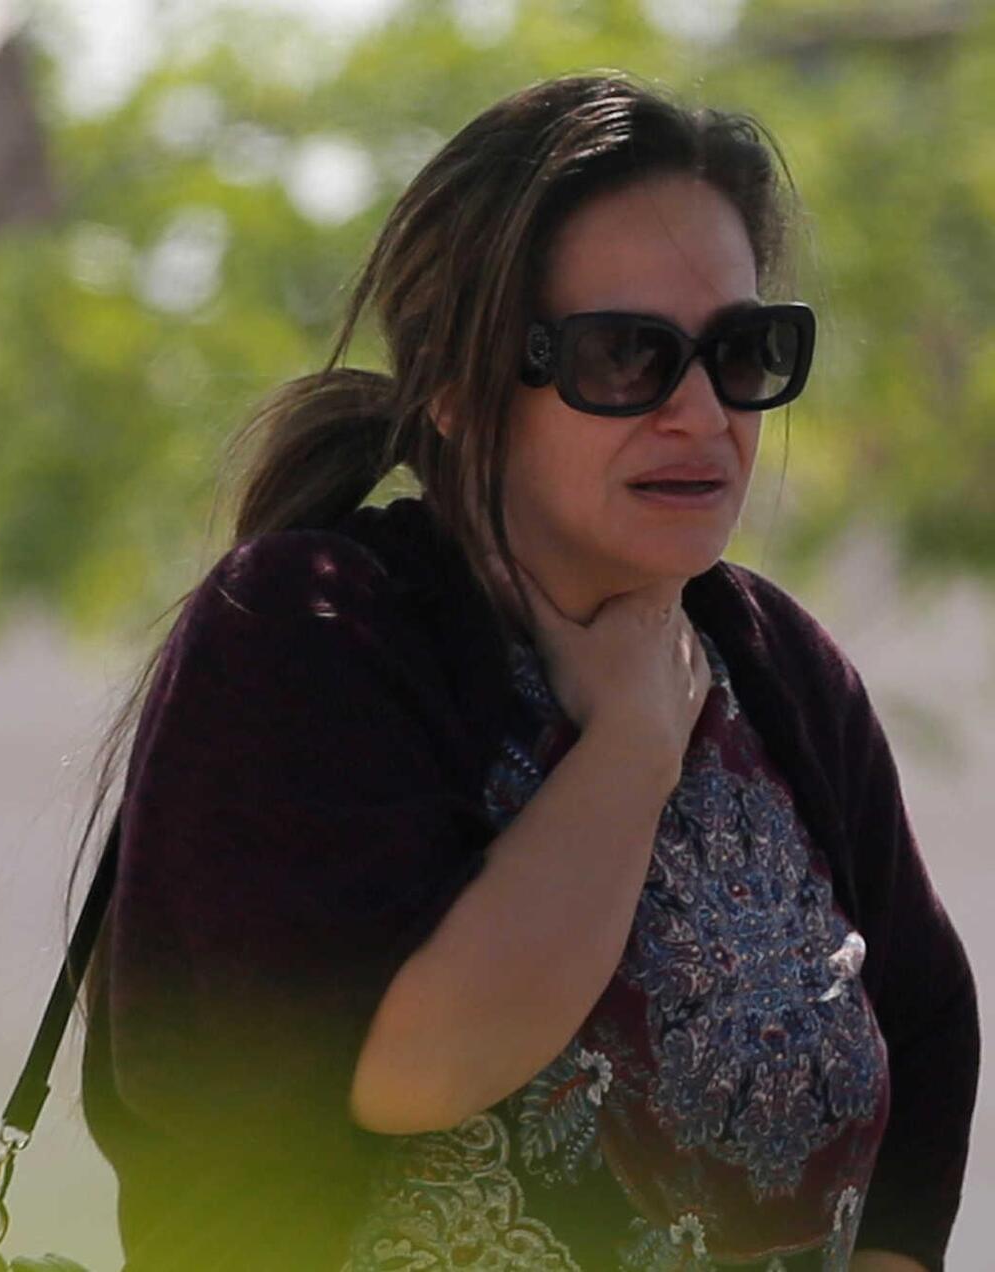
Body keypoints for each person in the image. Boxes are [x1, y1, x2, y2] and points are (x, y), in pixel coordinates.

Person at [80, 75, 978, 1272]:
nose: (702, 412)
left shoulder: (775, 662)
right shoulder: (310, 634)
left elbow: (927, 1038)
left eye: (742, 351)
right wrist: (632, 744)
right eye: (627, 355)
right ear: (459, 386)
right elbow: (417, 1062)